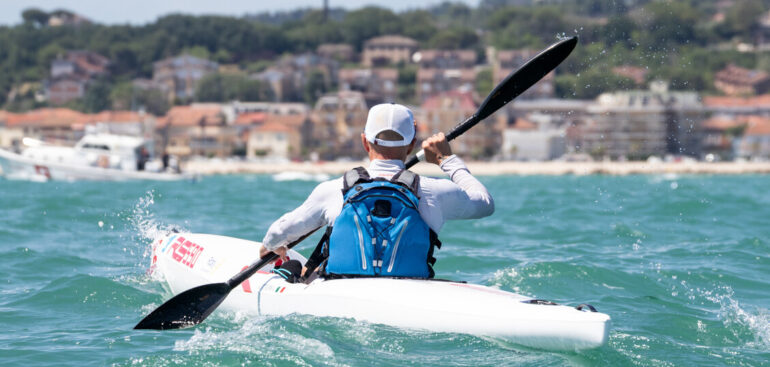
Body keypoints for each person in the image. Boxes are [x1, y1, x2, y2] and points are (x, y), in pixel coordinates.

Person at [260, 103, 494, 280]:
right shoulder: (432, 191)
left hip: (341, 294)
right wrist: (446, 158)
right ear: (412, 144)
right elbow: (484, 203)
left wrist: (270, 245)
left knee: (292, 270)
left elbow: (278, 232)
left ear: (365, 141)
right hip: (408, 295)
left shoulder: (332, 191)